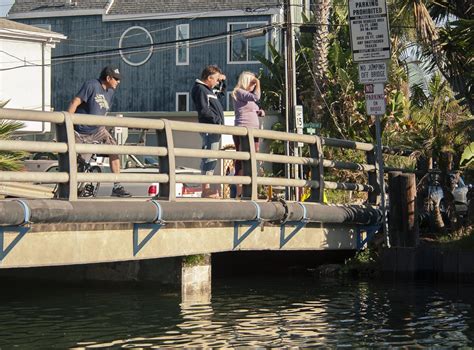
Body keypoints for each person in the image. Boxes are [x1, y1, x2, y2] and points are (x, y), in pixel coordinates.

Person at [67, 65, 131, 197]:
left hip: (98, 129)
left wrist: (104, 127)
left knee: (114, 150)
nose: (118, 82)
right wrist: (66, 126)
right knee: (80, 165)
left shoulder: (110, 92)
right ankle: (73, 189)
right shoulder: (91, 85)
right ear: (108, 78)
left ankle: (117, 186)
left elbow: (104, 111)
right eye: (116, 79)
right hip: (81, 131)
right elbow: (75, 102)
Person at [191, 65, 226, 198]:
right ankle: (205, 189)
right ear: (209, 78)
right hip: (209, 127)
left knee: (212, 157)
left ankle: (207, 188)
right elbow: (204, 110)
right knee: (209, 157)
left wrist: (223, 81)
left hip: (214, 127)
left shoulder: (208, 90)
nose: (217, 82)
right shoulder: (200, 89)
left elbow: (221, 93)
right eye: (216, 79)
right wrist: (217, 120)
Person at [232, 71, 265, 198]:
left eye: (254, 83)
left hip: (254, 131)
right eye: (252, 83)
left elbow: (253, 105)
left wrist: (259, 112)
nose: (254, 86)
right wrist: (258, 83)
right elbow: (256, 97)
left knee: (251, 160)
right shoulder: (239, 92)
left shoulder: (248, 96)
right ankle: (240, 193)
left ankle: (249, 191)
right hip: (243, 130)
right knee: (242, 160)